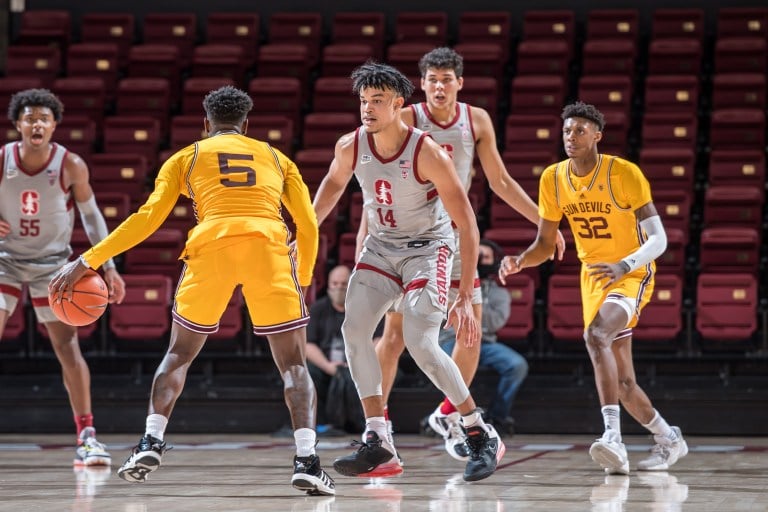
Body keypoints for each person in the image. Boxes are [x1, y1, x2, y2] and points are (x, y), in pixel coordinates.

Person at [49, 86, 335, 496]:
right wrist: (302, 277)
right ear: (246, 125)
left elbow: (147, 218)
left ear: (206, 124)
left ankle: (151, 440)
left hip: (211, 246)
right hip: (267, 248)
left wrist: (87, 260)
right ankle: (307, 461)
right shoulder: (277, 157)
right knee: (293, 364)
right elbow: (307, 224)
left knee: (179, 354)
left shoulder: (186, 156)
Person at [356, 47, 564, 460]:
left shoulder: (476, 120)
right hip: (407, 236)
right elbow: (371, 188)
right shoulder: (406, 116)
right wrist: (368, 241)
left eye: (446, 79)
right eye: (431, 79)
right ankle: (379, 427)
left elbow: (500, 181)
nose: (438, 86)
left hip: (451, 235)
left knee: (472, 330)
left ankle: (450, 412)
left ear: (459, 83)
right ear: (422, 84)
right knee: (393, 336)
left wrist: (544, 222)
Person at [312, 60, 504, 483]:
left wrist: (466, 295)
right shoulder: (350, 145)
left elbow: (468, 225)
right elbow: (329, 189)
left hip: (429, 249)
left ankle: (478, 429)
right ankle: (378, 439)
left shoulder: (426, 151)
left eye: (377, 101)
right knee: (354, 330)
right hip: (380, 248)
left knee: (419, 340)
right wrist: (303, 234)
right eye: (364, 100)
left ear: (399, 104)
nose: (367, 108)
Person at [498, 101, 688, 474]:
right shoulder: (552, 178)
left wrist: (625, 264)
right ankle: (669, 439)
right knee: (623, 382)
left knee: (596, 334)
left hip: (631, 271)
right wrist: (520, 259)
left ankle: (612, 438)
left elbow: (659, 239)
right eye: (567, 130)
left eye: (581, 130)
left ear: (597, 135)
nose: (572, 136)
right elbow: (545, 243)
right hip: (594, 275)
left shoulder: (623, 173)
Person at [0, 88, 126, 467]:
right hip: (4, 260)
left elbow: (91, 216)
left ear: (54, 125)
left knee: (67, 347)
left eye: (44, 118)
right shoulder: (2, 158)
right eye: (29, 117)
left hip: (53, 264)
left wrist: (108, 265)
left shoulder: (70, 164)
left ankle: (86, 436)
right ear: (17, 124)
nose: (36, 123)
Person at [437, 239, 528, 436]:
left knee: (517, 365)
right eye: (476, 256)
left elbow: (496, 322)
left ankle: (497, 417)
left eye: (484, 257)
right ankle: (447, 415)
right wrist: (474, 309)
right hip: (451, 338)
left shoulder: (500, 293)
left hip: (485, 342)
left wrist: (471, 309)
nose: (479, 261)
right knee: (455, 365)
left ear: (494, 261)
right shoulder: (450, 286)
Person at [304, 264, 383, 434]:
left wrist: (357, 363)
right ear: (328, 285)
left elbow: (379, 339)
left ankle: (370, 424)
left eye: (344, 284)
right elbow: (308, 344)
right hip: (327, 365)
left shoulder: (366, 307)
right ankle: (320, 424)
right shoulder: (318, 308)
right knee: (309, 373)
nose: (339, 288)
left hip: (361, 362)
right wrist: (328, 366)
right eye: (335, 284)